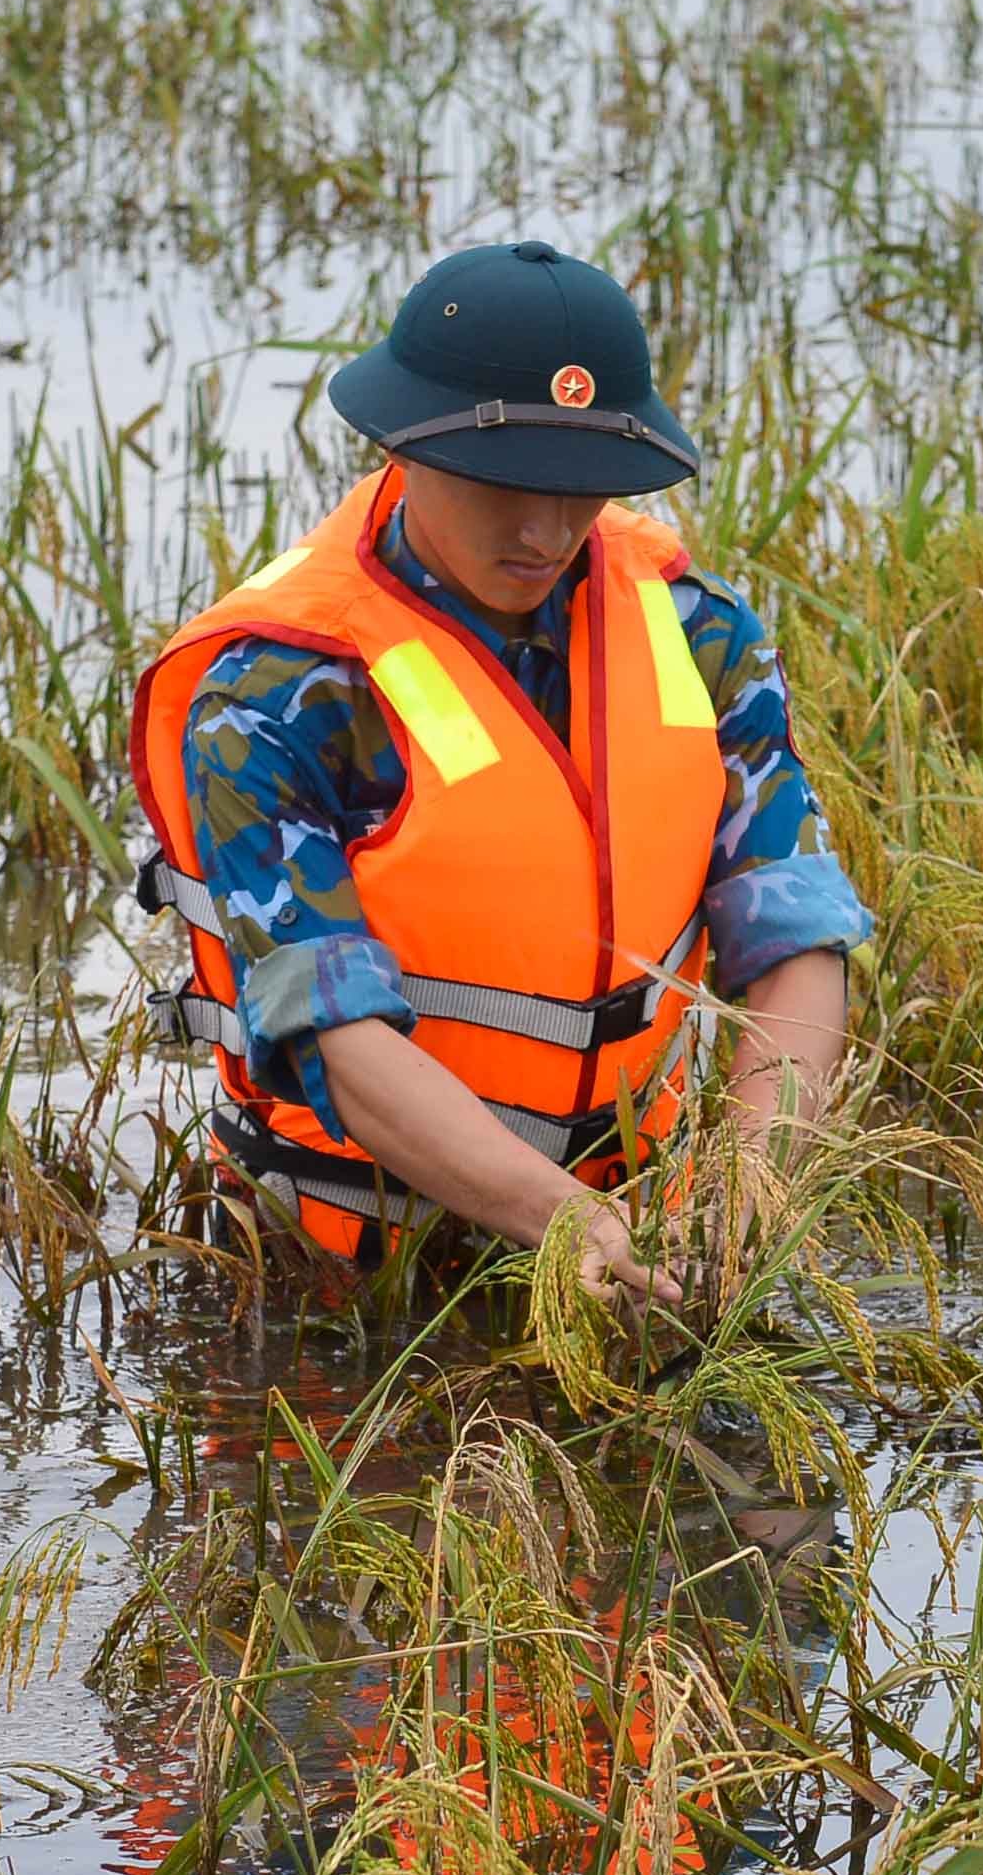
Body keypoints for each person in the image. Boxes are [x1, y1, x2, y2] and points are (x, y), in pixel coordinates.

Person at [128, 241, 870, 1311]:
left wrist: (744, 1197)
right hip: (348, 1283)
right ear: (405, 445)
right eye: (504, 483)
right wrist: (559, 1218)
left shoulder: (704, 638)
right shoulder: (279, 695)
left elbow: (797, 939)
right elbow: (334, 1032)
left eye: (581, 490)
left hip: (639, 1245)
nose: (544, 530)